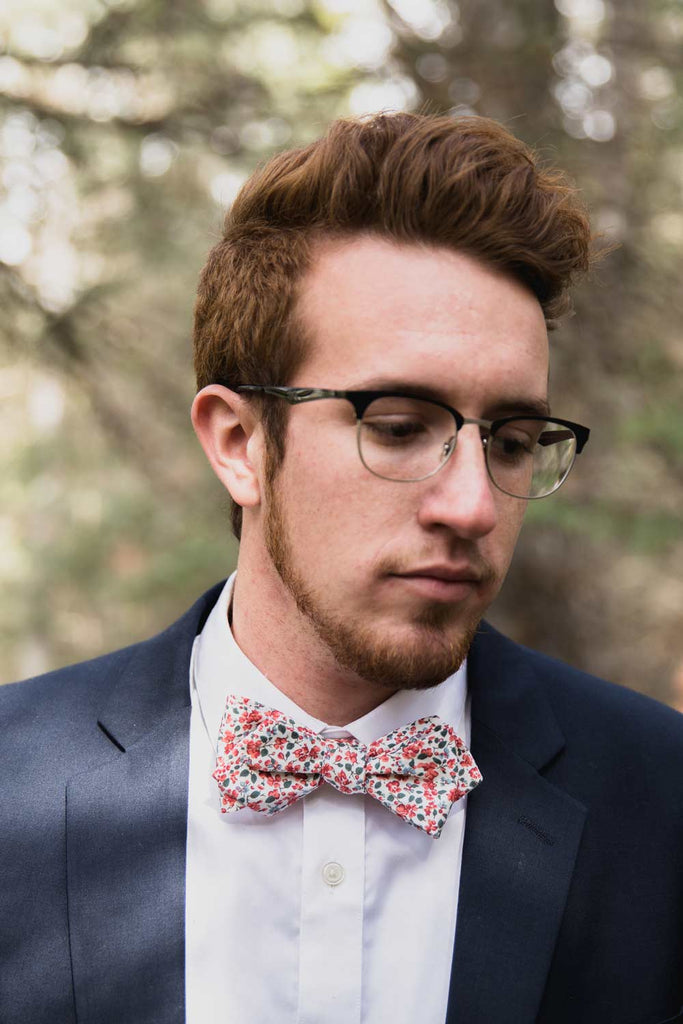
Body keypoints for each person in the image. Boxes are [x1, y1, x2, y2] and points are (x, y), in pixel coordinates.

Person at [1, 112, 682, 1024]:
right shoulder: (12, 783)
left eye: (514, 442)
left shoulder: (661, 800)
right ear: (239, 443)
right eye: (397, 428)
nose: (473, 507)